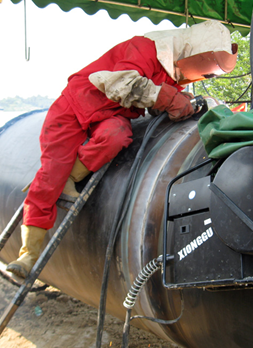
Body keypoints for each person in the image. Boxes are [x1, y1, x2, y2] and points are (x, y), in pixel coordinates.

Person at [6, 20, 238, 279]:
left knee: (117, 136)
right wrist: (170, 99)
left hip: (111, 115)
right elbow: (123, 82)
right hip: (74, 107)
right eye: (208, 69)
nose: (205, 75)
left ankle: (70, 176)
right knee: (50, 176)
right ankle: (28, 254)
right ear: (196, 51)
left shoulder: (173, 73)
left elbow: (156, 103)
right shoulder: (145, 48)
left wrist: (183, 104)